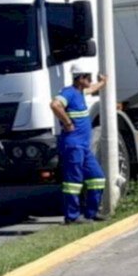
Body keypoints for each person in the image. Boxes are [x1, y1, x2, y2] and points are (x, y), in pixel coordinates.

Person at [50, 65, 109, 224]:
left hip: (84, 147)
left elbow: (92, 89)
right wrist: (67, 123)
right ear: (80, 78)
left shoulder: (80, 92)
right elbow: (55, 105)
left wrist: (103, 82)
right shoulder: (69, 92)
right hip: (73, 146)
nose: (91, 80)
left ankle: (91, 213)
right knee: (73, 182)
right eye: (88, 77)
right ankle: (72, 217)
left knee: (97, 178)